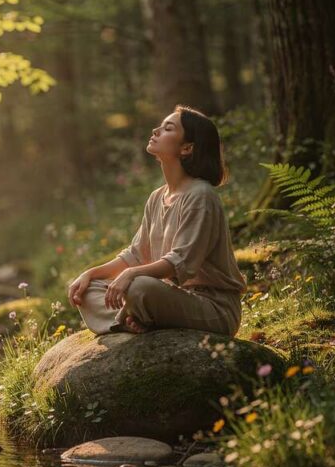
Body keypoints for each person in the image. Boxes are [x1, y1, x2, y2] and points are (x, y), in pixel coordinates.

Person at [67, 104, 247, 337]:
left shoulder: (201, 195)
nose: (155, 131)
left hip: (213, 308)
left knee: (139, 286)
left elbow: (180, 262)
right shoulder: (156, 197)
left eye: (167, 128)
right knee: (87, 290)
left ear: (187, 148)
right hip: (171, 298)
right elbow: (134, 255)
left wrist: (131, 275)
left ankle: (133, 318)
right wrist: (90, 274)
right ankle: (131, 321)